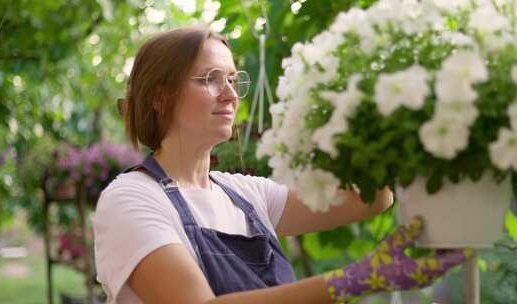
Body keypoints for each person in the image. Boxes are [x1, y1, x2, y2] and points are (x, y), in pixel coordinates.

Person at [92, 27, 470, 304]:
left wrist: (362, 112)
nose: (231, 94)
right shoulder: (132, 199)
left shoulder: (242, 194)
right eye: (210, 79)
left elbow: (373, 199)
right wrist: (353, 280)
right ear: (159, 97)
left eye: (233, 79)